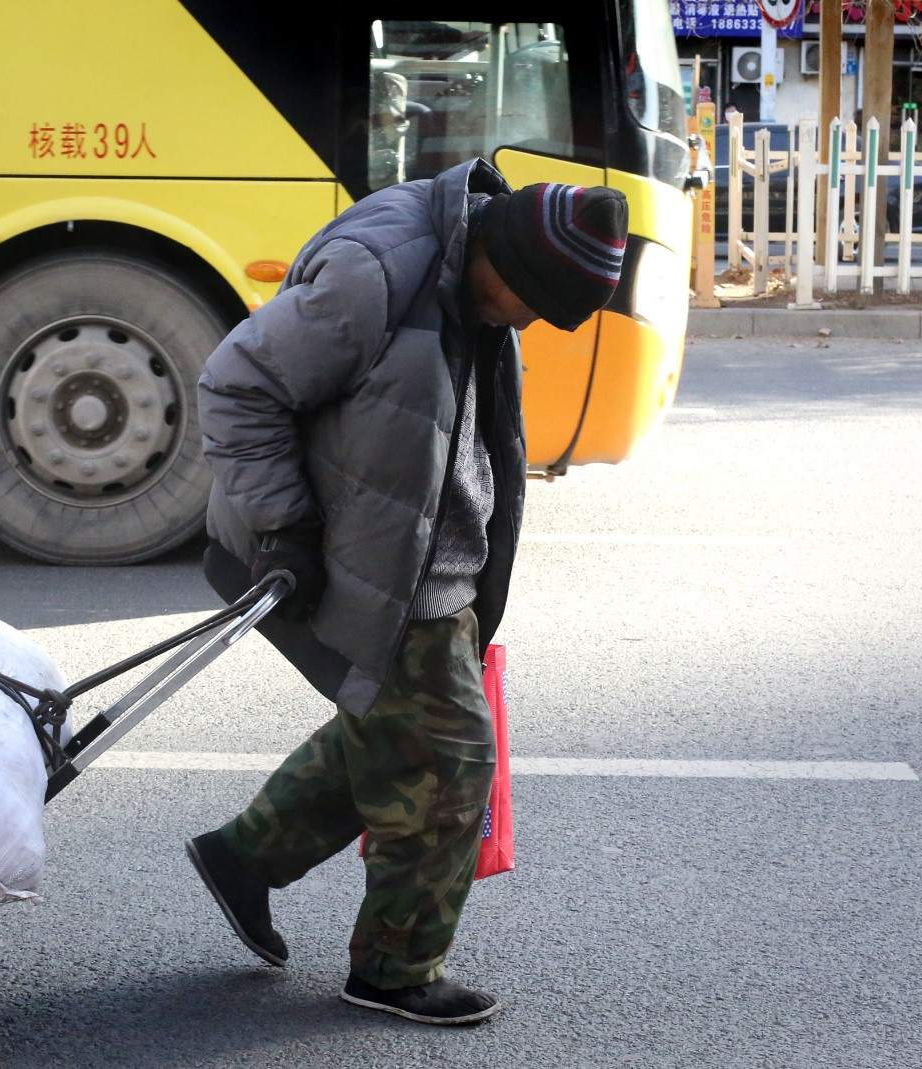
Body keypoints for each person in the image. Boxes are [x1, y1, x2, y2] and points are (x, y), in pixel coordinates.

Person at [185, 158, 627, 1025]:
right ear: (509, 266)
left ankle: (244, 856)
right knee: (452, 763)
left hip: (431, 557)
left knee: (390, 735)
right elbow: (237, 388)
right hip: (370, 566)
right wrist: (287, 531)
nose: (532, 322)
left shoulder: (471, 272)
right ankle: (394, 968)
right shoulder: (377, 274)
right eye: (535, 304)